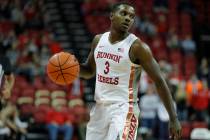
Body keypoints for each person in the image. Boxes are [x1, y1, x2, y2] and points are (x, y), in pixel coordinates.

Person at [79, 2, 182, 140]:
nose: (128, 18)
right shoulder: (98, 40)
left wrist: (173, 118)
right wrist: (74, 68)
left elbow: (159, 81)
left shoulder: (138, 47)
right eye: (124, 14)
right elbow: (89, 71)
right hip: (100, 108)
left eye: (131, 16)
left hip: (124, 109)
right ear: (111, 15)